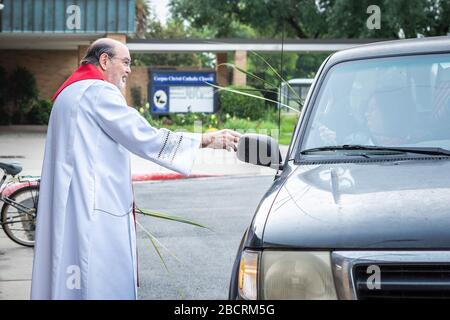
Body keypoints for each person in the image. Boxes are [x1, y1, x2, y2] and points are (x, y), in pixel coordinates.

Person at [31, 38, 241, 300]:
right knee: (97, 280)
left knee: (69, 276)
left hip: (69, 204)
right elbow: (144, 136)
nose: (129, 70)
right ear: (105, 60)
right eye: (126, 62)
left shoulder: (69, 94)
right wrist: (203, 139)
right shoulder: (99, 92)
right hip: (95, 208)